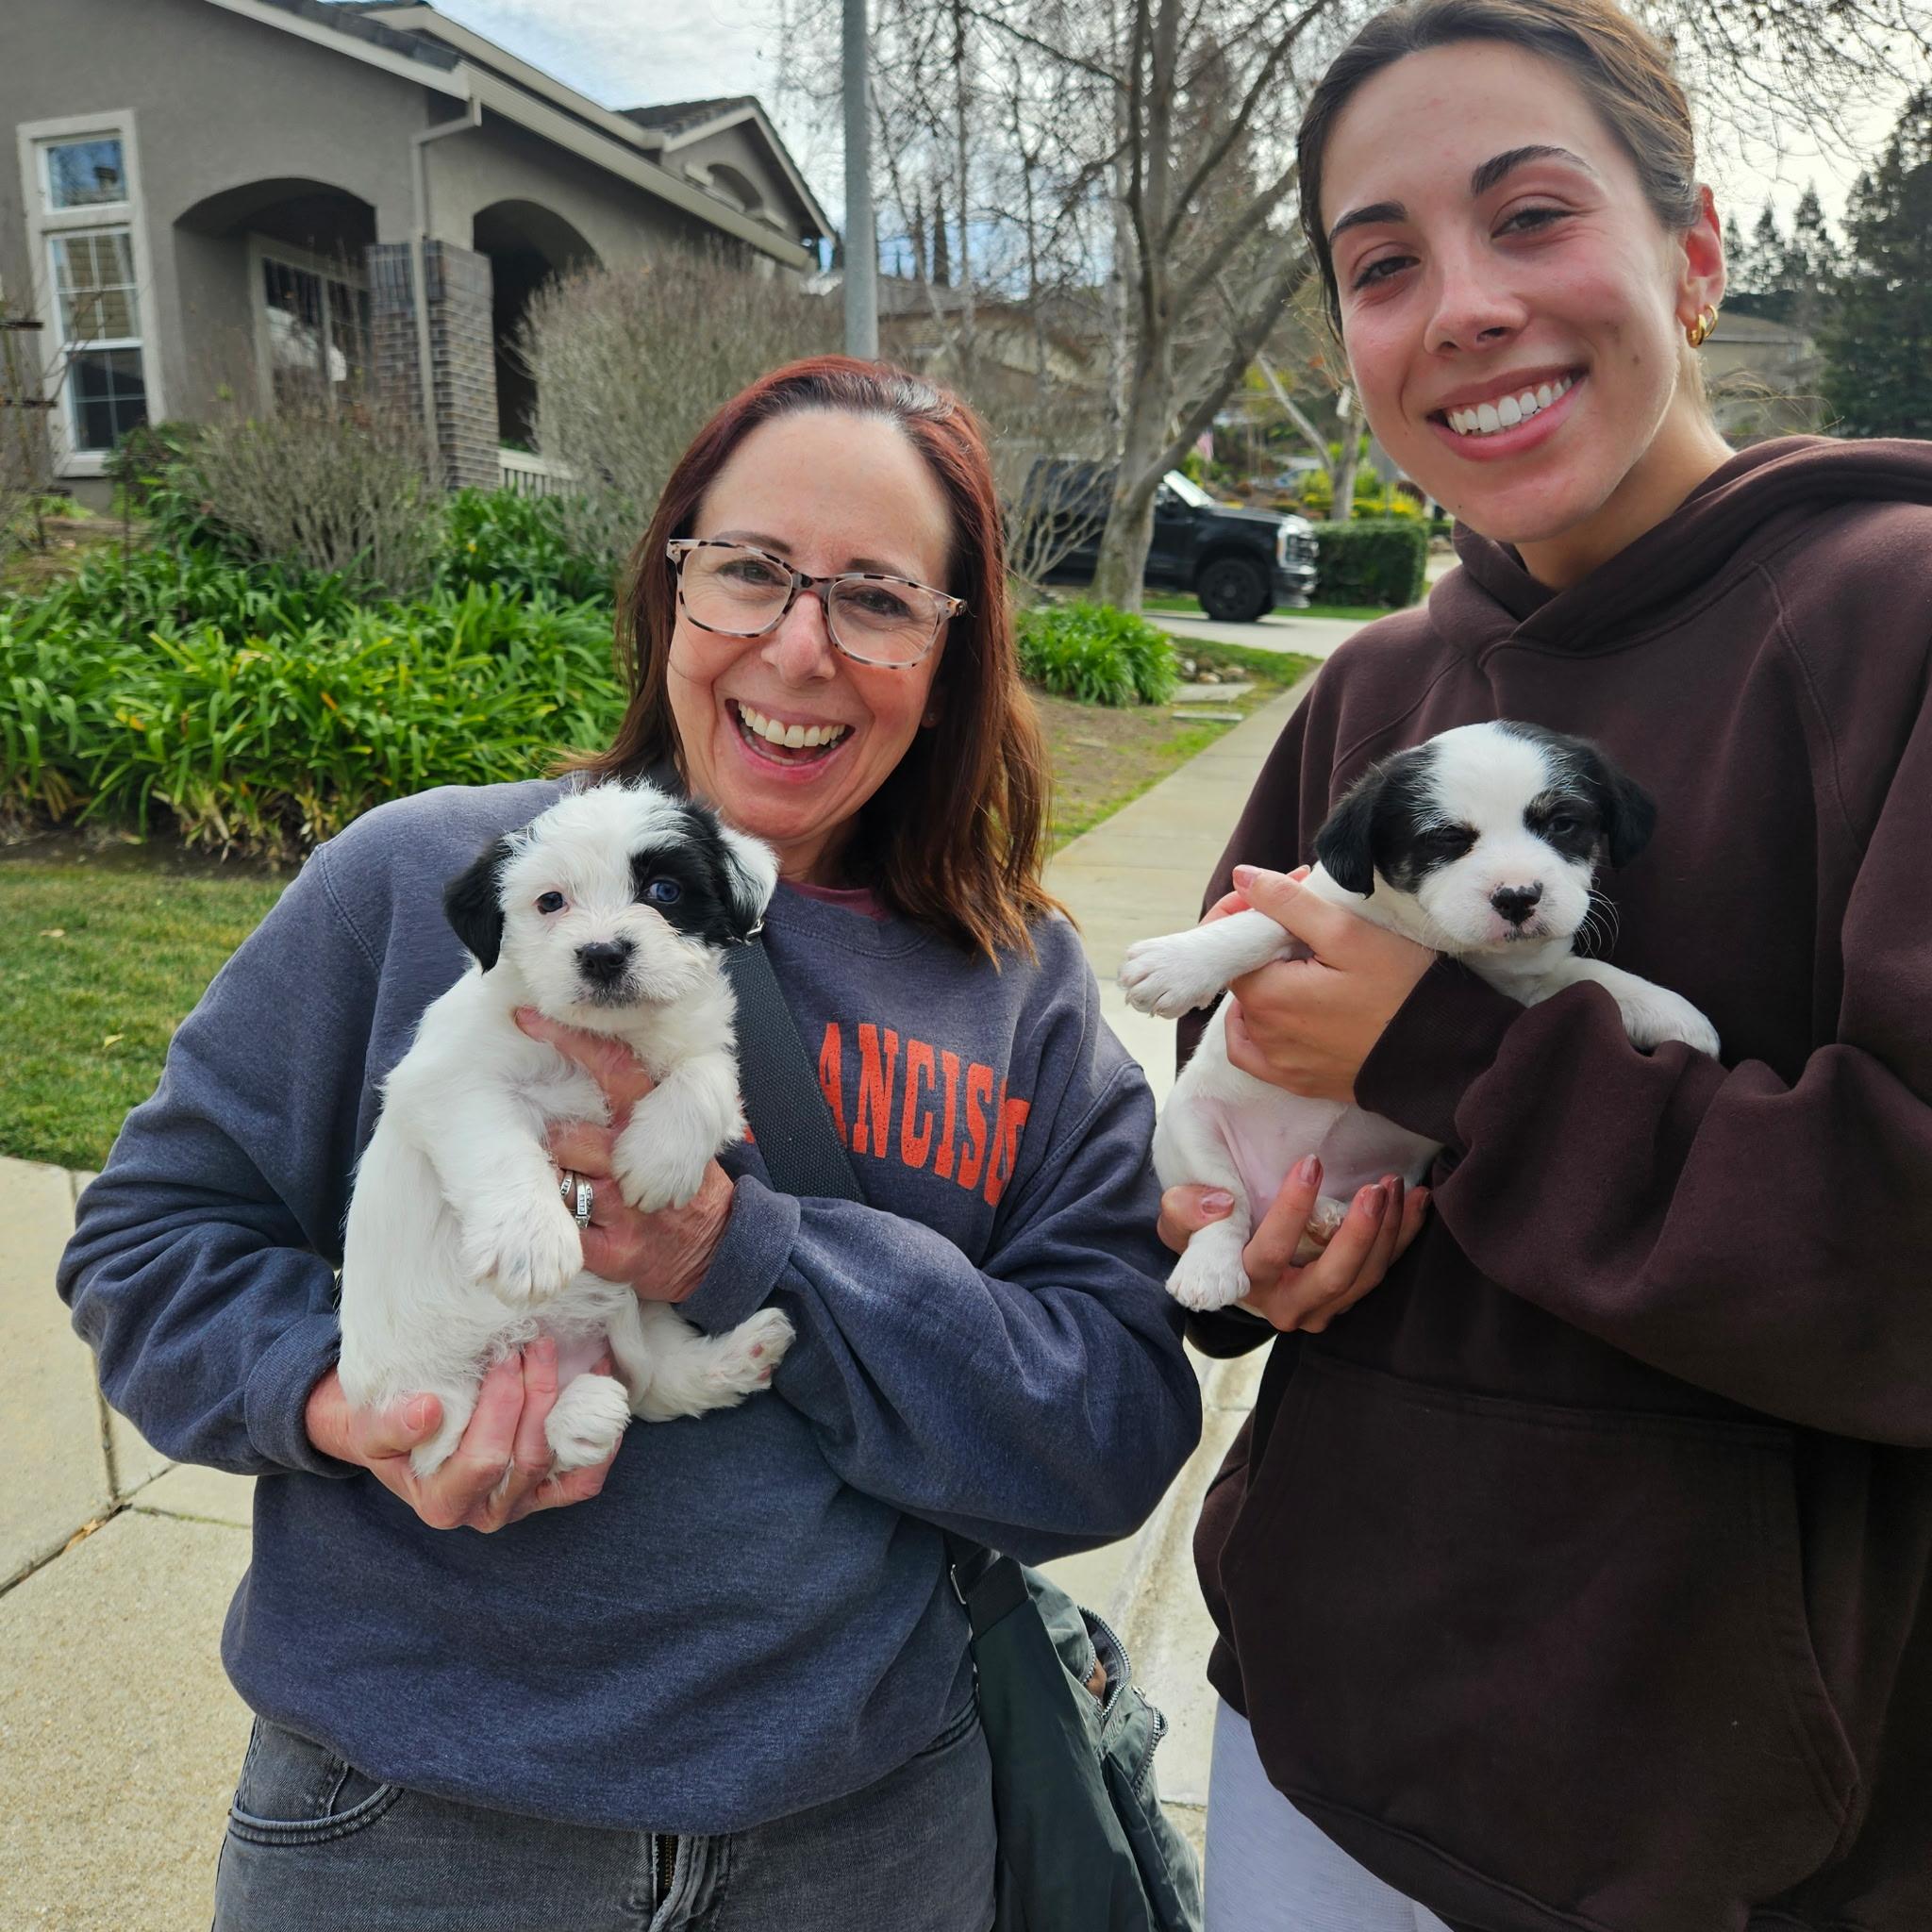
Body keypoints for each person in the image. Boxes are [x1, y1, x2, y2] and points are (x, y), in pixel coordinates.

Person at [58, 357, 1204, 1931]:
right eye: (746, 573)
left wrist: (747, 1251)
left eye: (875, 598)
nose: (797, 647)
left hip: (863, 1834)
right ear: (671, 589)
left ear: (950, 652)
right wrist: (343, 1402)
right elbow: (144, 1244)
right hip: (411, 1828)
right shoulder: (417, 884)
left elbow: (1115, 1423)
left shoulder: (1023, 994)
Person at [1157, 6, 1932, 1930]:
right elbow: (1228, 1107)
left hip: (1733, 1822)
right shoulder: (1372, 692)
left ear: (1692, 252)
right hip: (1316, 1740)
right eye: (1382, 264)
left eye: (1529, 216)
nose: (1465, 308)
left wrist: (1463, 1058)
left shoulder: (1887, 619)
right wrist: (1235, 1254)